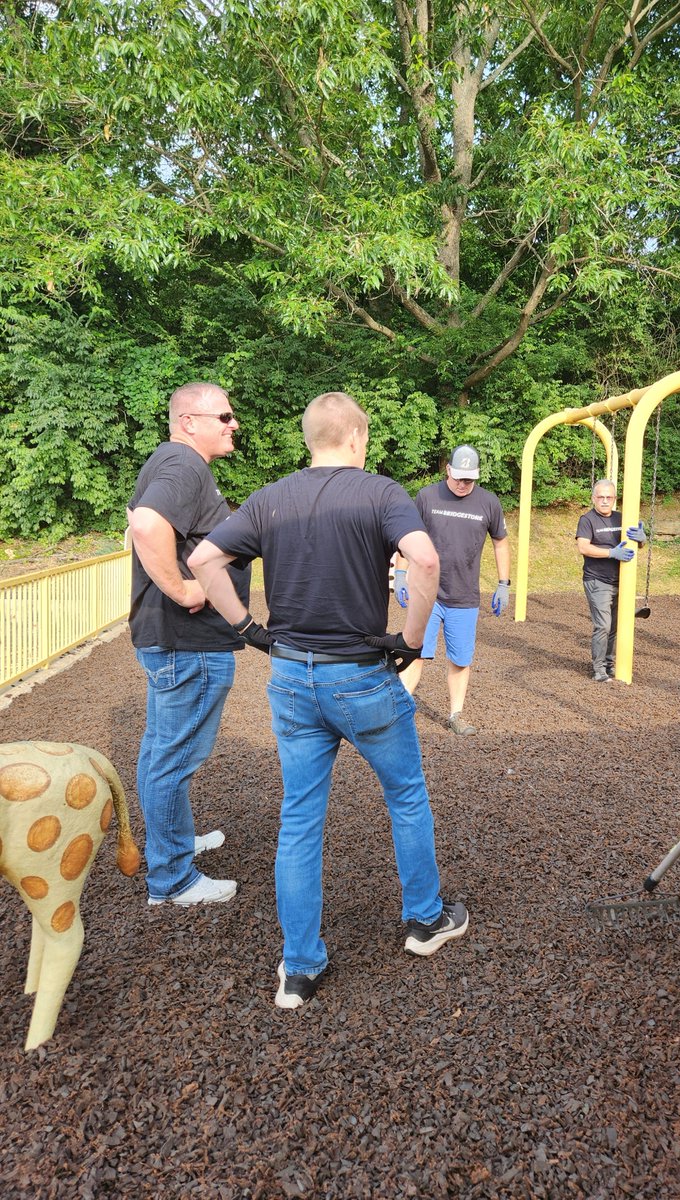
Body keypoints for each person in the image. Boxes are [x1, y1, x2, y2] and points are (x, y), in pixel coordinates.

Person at [187, 392, 469, 1010]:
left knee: (299, 818)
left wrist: (244, 628)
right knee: (406, 795)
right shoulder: (380, 493)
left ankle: (299, 968)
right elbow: (424, 558)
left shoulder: (270, 499)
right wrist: (414, 641)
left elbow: (204, 558)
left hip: (291, 679)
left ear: (311, 438)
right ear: (358, 438)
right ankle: (425, 920)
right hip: (362, 676)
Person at [127, 382, 250, 907]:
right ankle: (172, 879)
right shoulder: (184, 465)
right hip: (187, 643)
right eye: (223, 416)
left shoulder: (172, 462)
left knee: (161, 751)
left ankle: (169, 842)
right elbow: (147, 523)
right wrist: (182, 590)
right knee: (171, 759)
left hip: (174, 643)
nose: (233, 424)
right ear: (188, 422)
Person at [393, 445, 510, 735]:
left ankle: (456, 714)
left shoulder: (488, 503)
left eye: (468, 480)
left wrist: (503, 583)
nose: (462, 484)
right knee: (414, 652)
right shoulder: (427, 497)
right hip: (426, 593)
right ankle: (401, 710)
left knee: (460, 659)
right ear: (448, 470)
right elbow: (408, 537)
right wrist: (401, 572)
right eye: (458, 477)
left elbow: (500, 541)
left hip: (465, 596)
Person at [575, 480, 646, 681]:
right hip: (597, 581)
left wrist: (642, 539)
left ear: (614, 499)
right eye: (601, 497)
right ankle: (598, 669)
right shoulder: (587, 520)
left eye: (609, 497)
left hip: (620, 582)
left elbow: (635, 546)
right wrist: (611, 553)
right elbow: (583, 547)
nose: (605, 501)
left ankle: (608, 664)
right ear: (593, 498)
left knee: (615, 626)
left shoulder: (621, 518)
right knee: (603, 625)